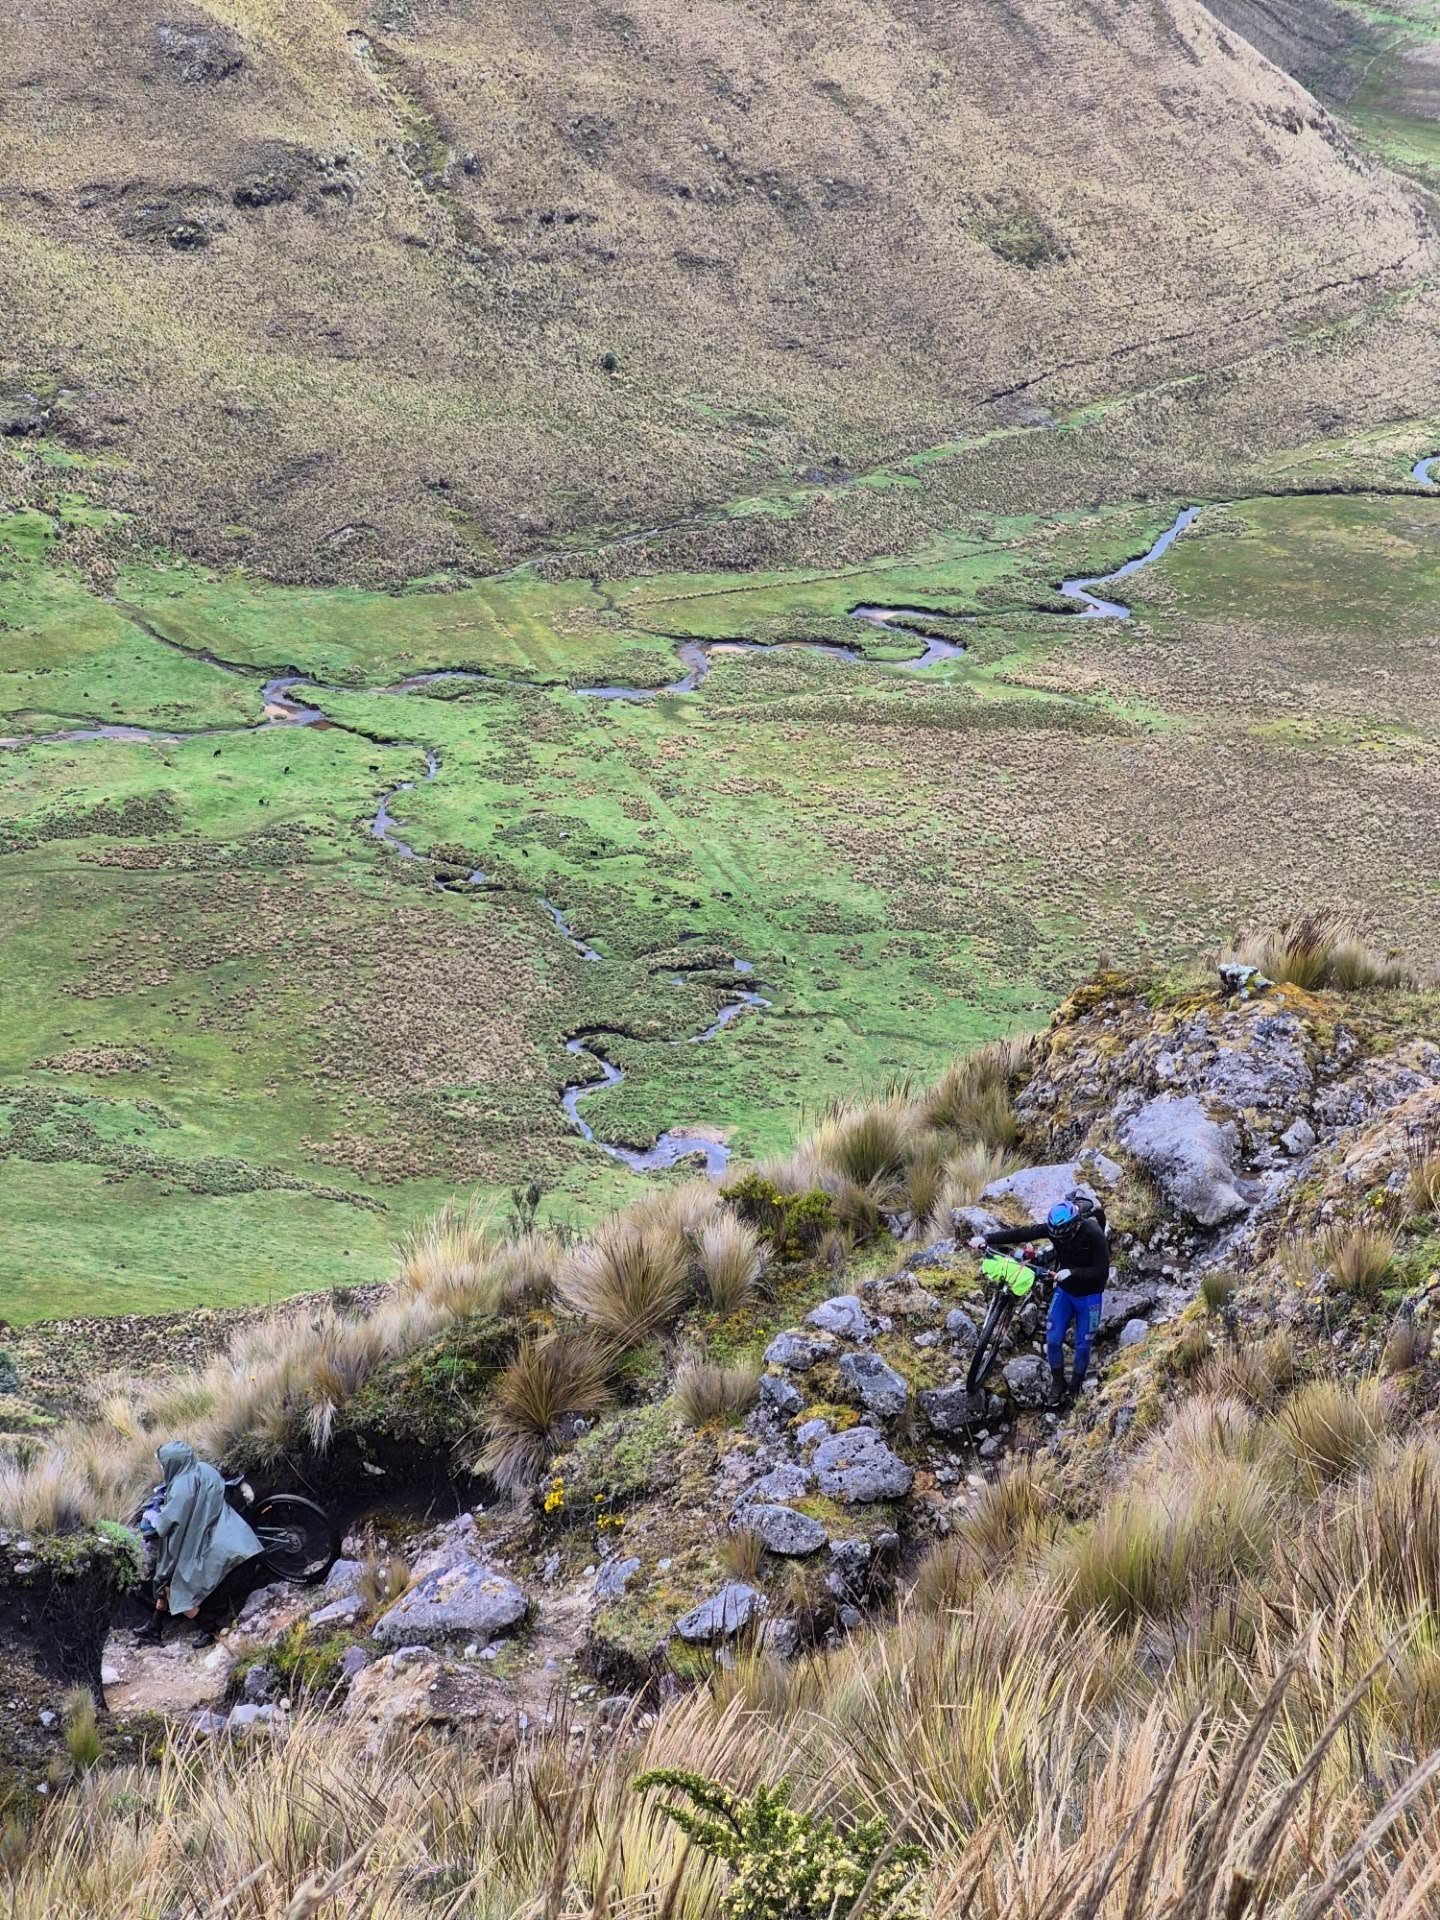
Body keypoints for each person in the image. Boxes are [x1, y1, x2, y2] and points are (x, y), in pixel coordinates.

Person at [970, 1196, 1110, 1405]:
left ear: (1074, 1227)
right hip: (1065, 1292)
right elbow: (1025, 1232)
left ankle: (1076, 1385)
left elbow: (1101, 1272)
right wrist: (987, 1238)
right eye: (1056, 1237)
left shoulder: (1093, 1233)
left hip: (1089, 1296)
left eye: (1063, 1238)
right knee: (1052, 1341)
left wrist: (1072, 1272)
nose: (1059, 1240)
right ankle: (1058, 1381)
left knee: (1082, 1346)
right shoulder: (1055, 1228)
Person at [136, 1440, 262, 1647]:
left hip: (216, 1549)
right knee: (168, 1583)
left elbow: (166, 1524)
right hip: (236, 1536)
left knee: (175, 1589)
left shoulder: (179, 1489)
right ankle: (154, 1628)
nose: (161, 1468)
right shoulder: (205, 1469)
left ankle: (208, 1629)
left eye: (163, 1464)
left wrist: (152, 1516)